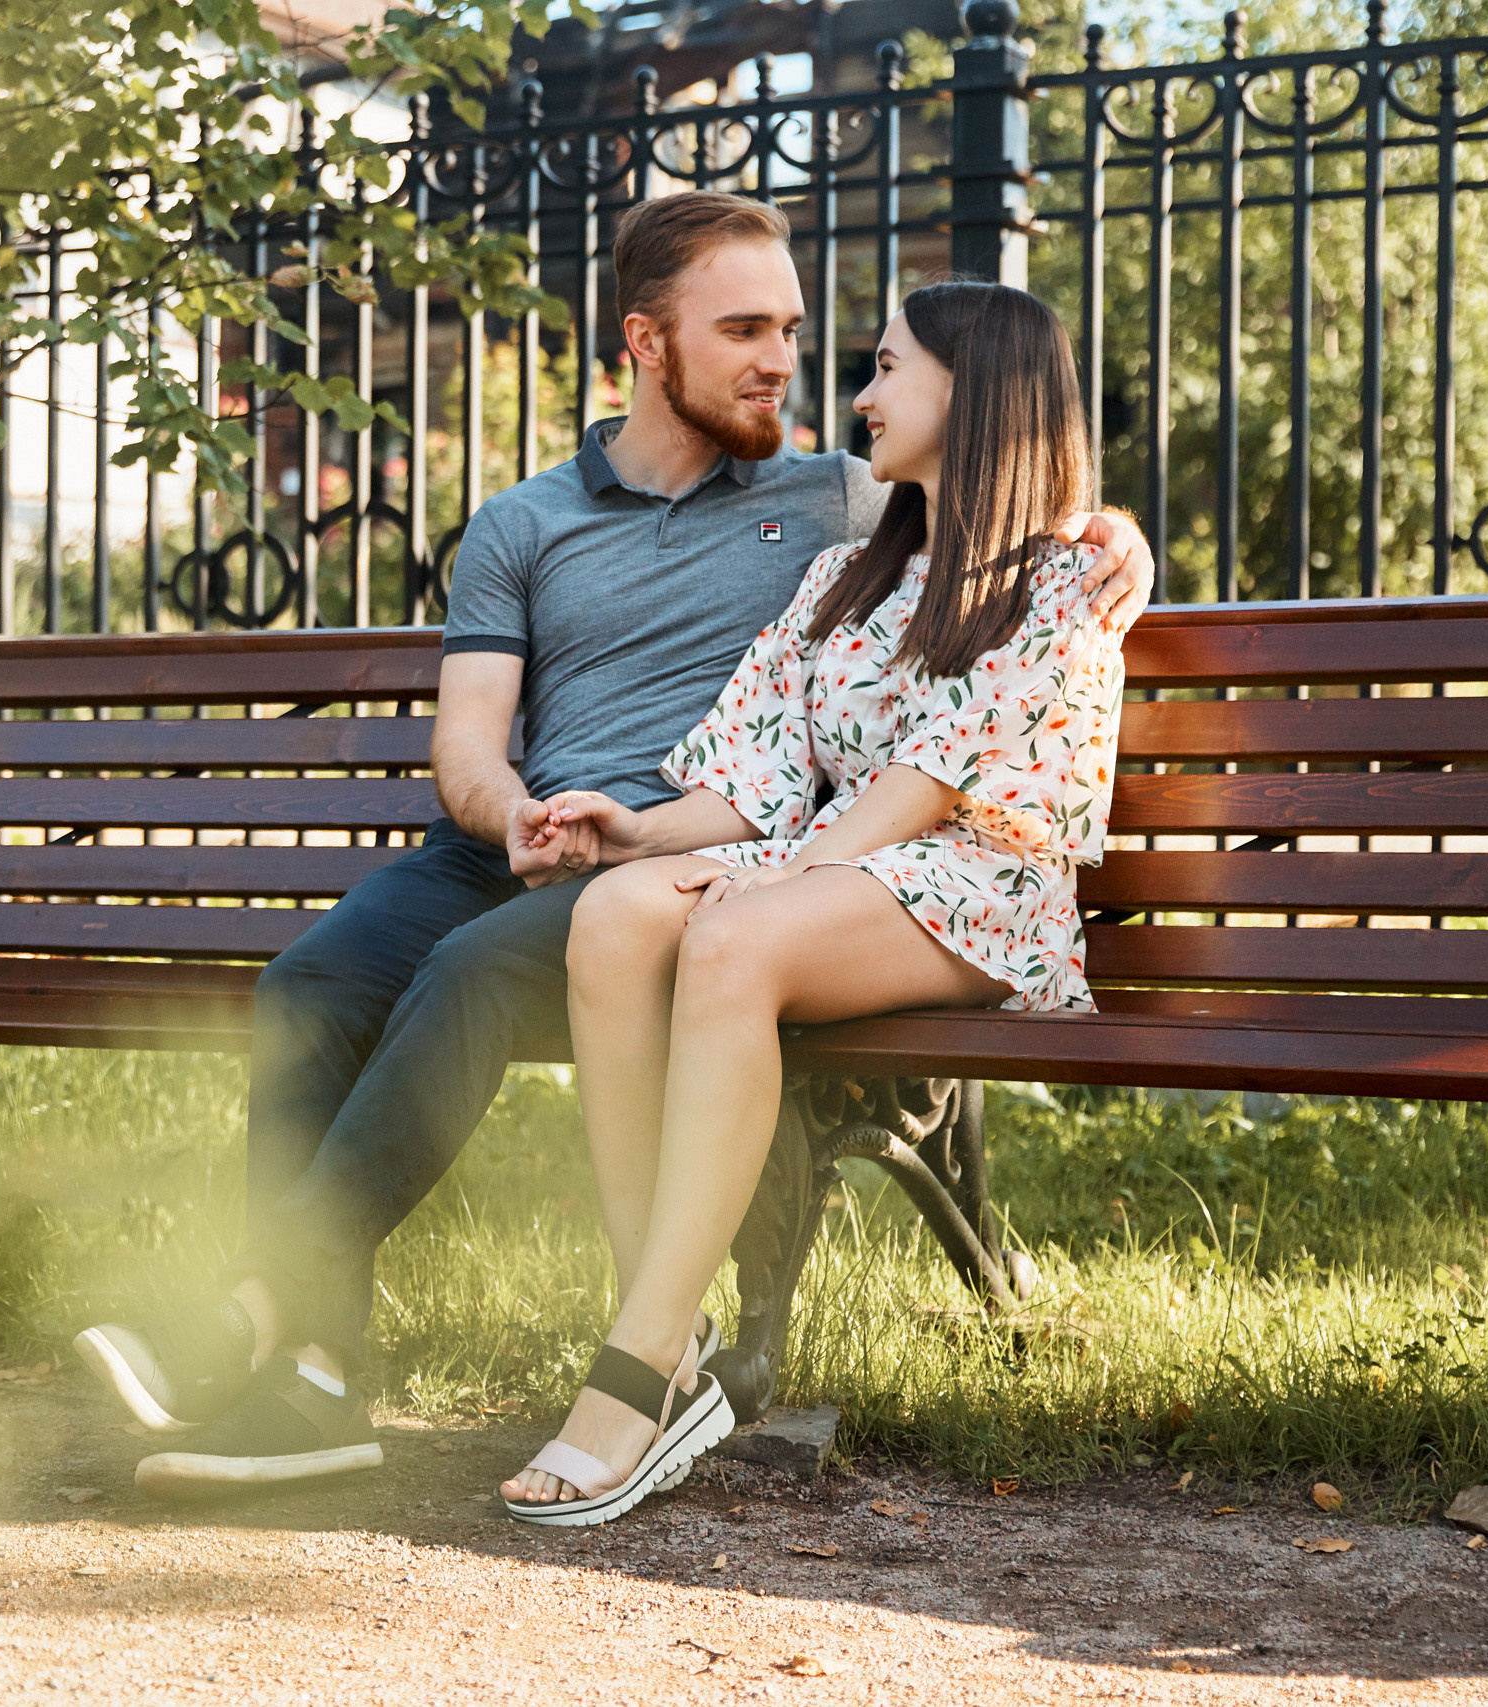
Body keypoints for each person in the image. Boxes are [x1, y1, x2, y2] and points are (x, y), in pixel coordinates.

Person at [73, 193, 1154, 1499]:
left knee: (507, 962)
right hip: (559, 843)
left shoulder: (834, 499)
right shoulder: (542, 524)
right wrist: (558, 817)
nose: (792, 366)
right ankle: (313, 1372)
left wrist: (1116, 536)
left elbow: (1023, 503)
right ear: (648, 342)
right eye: (747, 329)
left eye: (814, 340)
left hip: (836, 872)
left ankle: (325, 1320)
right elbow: (496, 741)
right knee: (310, 980)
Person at [496, 279, 1129, 1525]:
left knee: (727, 936)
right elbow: (751, 777)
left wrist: (777, 873)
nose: (859, 396)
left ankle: (629, 1371)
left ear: (977, 390)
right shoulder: (847, 577)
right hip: (832, 870)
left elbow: (921, 784)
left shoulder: (1068, 580)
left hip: (977, 890)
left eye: (888, 369)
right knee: (617, 916)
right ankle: (665, 1343)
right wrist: (630, 833)